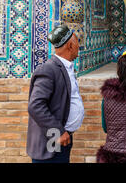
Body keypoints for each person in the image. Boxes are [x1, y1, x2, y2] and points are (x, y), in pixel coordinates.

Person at [27, 25, 84, 163]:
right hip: (52, 141)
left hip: (62, 139)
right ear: (70, 45)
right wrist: (58, 131)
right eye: (77, 43)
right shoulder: (48, 69)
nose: (79, 47)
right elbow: (35, 106)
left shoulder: (66, 67)